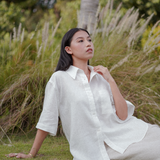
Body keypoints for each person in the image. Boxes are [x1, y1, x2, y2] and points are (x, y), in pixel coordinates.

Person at [7, 28, 160, 160]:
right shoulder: (59, 79)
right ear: (68, 49)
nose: (88, 44)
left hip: (126, 134)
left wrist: (111, 80)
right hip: (94, 148)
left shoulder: (101, 76)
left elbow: (123, 115)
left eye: (89, 40)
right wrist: (31, 154)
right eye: (80, 41)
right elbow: (48, 118)